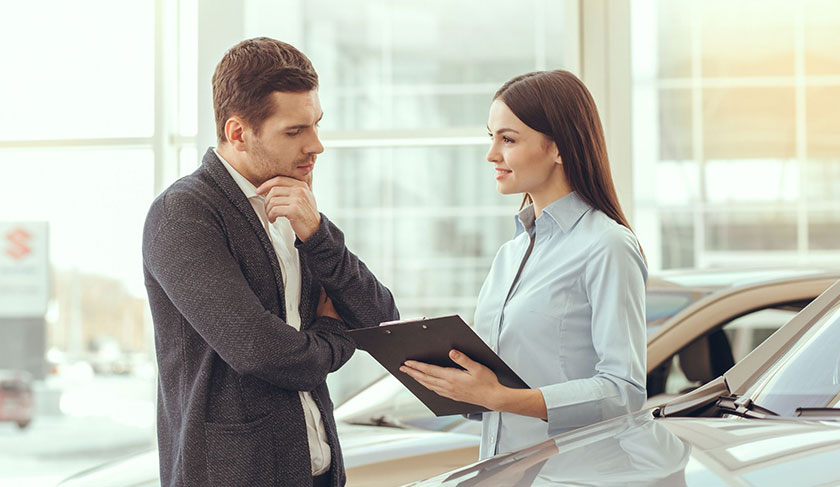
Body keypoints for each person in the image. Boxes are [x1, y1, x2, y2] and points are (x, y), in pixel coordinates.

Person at [142, 37, 399, 487]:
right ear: (238, 133)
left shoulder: (295, 206)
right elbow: (262, 352)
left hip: (317, 472)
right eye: (294, 132)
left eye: (316, 125)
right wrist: (335, 334)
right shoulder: (183, 214)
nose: (316, 145)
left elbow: (381, 323)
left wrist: (318, 235)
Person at [400, 70, 647, 459]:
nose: (491, 154)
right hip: (500, 471)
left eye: (508, 139)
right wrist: (453, 378)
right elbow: (499, 390)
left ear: (558, 148)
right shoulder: (510, 254)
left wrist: (500, 397)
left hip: (569, 475)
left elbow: (624, 391)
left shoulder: (607, 245)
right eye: (492, 137)